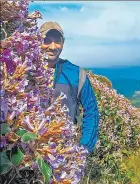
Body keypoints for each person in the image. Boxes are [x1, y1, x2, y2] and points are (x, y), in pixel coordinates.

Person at [40, 21, 99, 154]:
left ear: (63, 43)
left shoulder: (77, 74)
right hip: (30, 148)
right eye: (47, 41)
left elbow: (91, 110)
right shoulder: (27, 70)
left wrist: (84, 147)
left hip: (64, 150)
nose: (53, 47)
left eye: (57, 41)